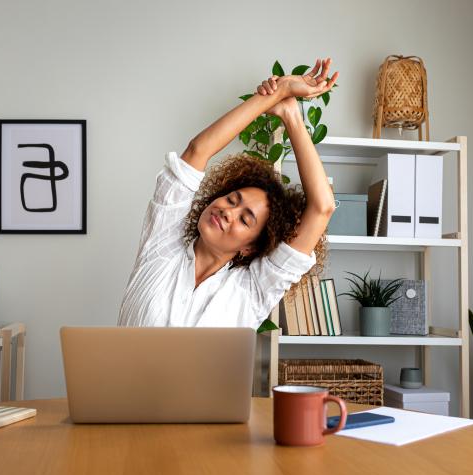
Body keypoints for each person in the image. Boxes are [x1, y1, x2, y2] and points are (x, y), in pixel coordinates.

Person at [118, 58, 340, 329]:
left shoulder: (252, 290)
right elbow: (197, 151)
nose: (228, 211)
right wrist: (274, 95)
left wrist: (291, 116)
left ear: (249, 247)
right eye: (232, 200)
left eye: (245, 219)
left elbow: (322, 207)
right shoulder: (162, 244)